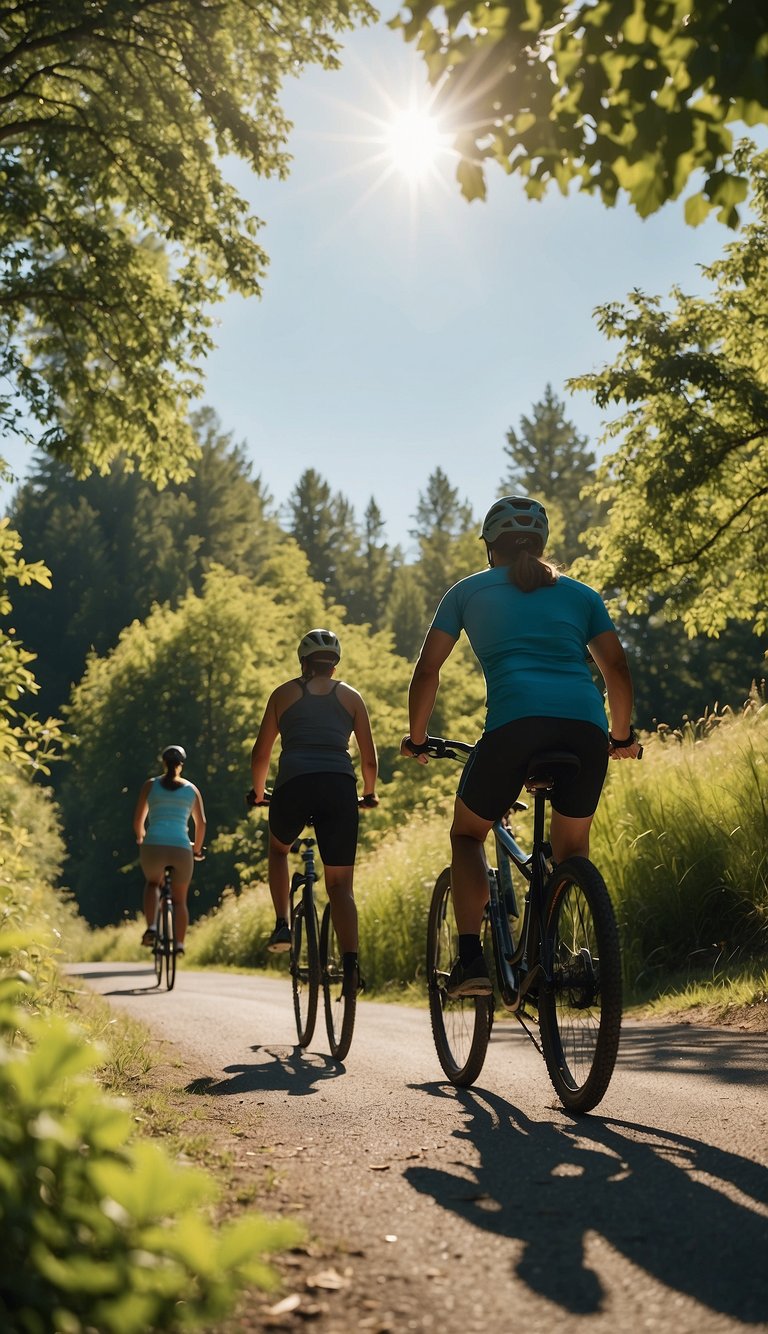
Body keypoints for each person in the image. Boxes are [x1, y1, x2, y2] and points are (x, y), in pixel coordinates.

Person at [401, 495, 641, 999]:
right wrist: (620, 736)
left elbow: (428, 671)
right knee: (571, 849)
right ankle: (556, 947)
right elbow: (615, 670)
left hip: (515, 726)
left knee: (467, 835)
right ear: (541, 543)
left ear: (491, 547)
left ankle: (471, 961)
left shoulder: (466, 591)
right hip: (584, 728)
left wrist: (418, 737)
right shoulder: (580, 595)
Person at [249, 628, 378, 995]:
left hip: (293, 786)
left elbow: (261, 755)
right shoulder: (351, 697)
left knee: (278, 850)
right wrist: (368, 793)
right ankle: (351, 967)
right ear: (334, 666)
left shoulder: (283, 694)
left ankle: (282, 925)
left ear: (303, 662)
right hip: (339, 788)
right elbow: (368, 758)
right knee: (340, 887)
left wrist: (259, 794)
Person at [133, 744, 206, 956]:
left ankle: (152, 928)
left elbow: (139, 819)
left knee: (153, 884)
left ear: (163, 763)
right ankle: (180, 945)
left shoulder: (150, 785)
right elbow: (201, 823)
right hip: (182, 848)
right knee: (180, 899)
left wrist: (140, 837)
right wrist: (197, 849)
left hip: (153, 845)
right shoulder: (191, 790)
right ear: (181, 765)